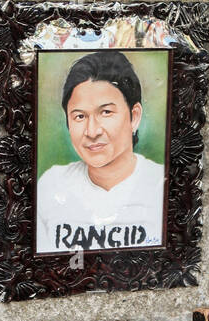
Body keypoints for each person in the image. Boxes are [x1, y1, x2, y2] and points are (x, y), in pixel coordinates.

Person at [36, 50, 165, 254]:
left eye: (106, 112)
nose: (92, 131)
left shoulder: (161, 186)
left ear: (134, 116)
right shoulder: (51, 186)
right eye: (79, 116)